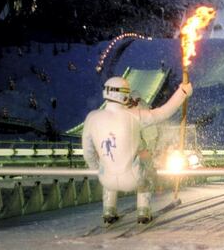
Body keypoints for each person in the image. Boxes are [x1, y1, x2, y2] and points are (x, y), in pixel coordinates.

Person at [82, 76, 192, 225]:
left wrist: (97, 169)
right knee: (146, 172)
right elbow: (164, 112)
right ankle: (143, 211)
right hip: (131, 179)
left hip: (106, 180)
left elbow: (88, 152)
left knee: (107, 163)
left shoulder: (91, 118)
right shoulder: (136, 115)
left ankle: (109, 210)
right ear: (124, 94)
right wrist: (182, 92)